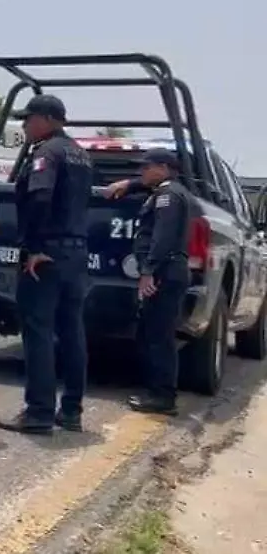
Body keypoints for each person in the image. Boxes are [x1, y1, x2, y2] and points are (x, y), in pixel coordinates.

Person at [0, 94, 94, 435]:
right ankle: (72, 411)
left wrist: (33, 247)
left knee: (37, 331)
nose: (24, 125)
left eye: (29, 118)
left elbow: (40, 196)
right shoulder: (81, 153)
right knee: (72, 332)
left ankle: (38, 411)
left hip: (47, 254)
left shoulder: (47, 152)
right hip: (76, 254)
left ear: (49, 119)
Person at [103, 149, 195, 416]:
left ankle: (163, 397)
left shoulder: (167, 196)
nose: (141, 172)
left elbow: (163, 237)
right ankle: (156, 392)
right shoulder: (166, 191)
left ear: (164, 168)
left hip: (164, 271)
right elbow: (142, 186)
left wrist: (148, 270)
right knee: (151, 333)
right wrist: (128, 184)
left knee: (159, 336)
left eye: (147, 168)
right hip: (166, 270)